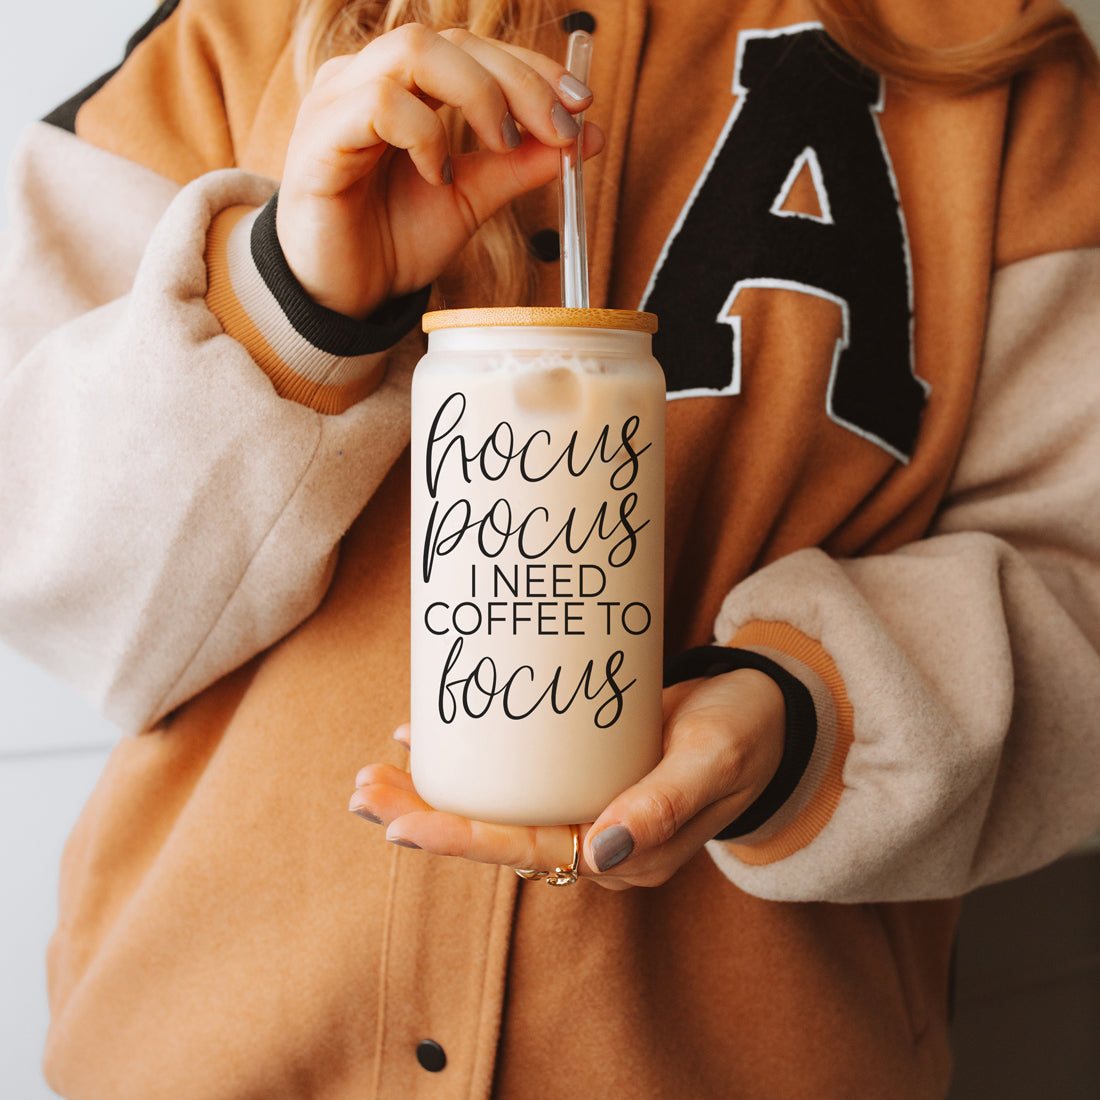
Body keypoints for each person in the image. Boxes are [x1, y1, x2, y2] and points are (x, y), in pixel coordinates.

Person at [2, 0, 1098, 1095]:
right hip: (205, 1053)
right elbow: (49, 563)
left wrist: (808, 714)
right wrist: (290, 301)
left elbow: (1078, 590)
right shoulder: (229, 34)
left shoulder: (985, 53)